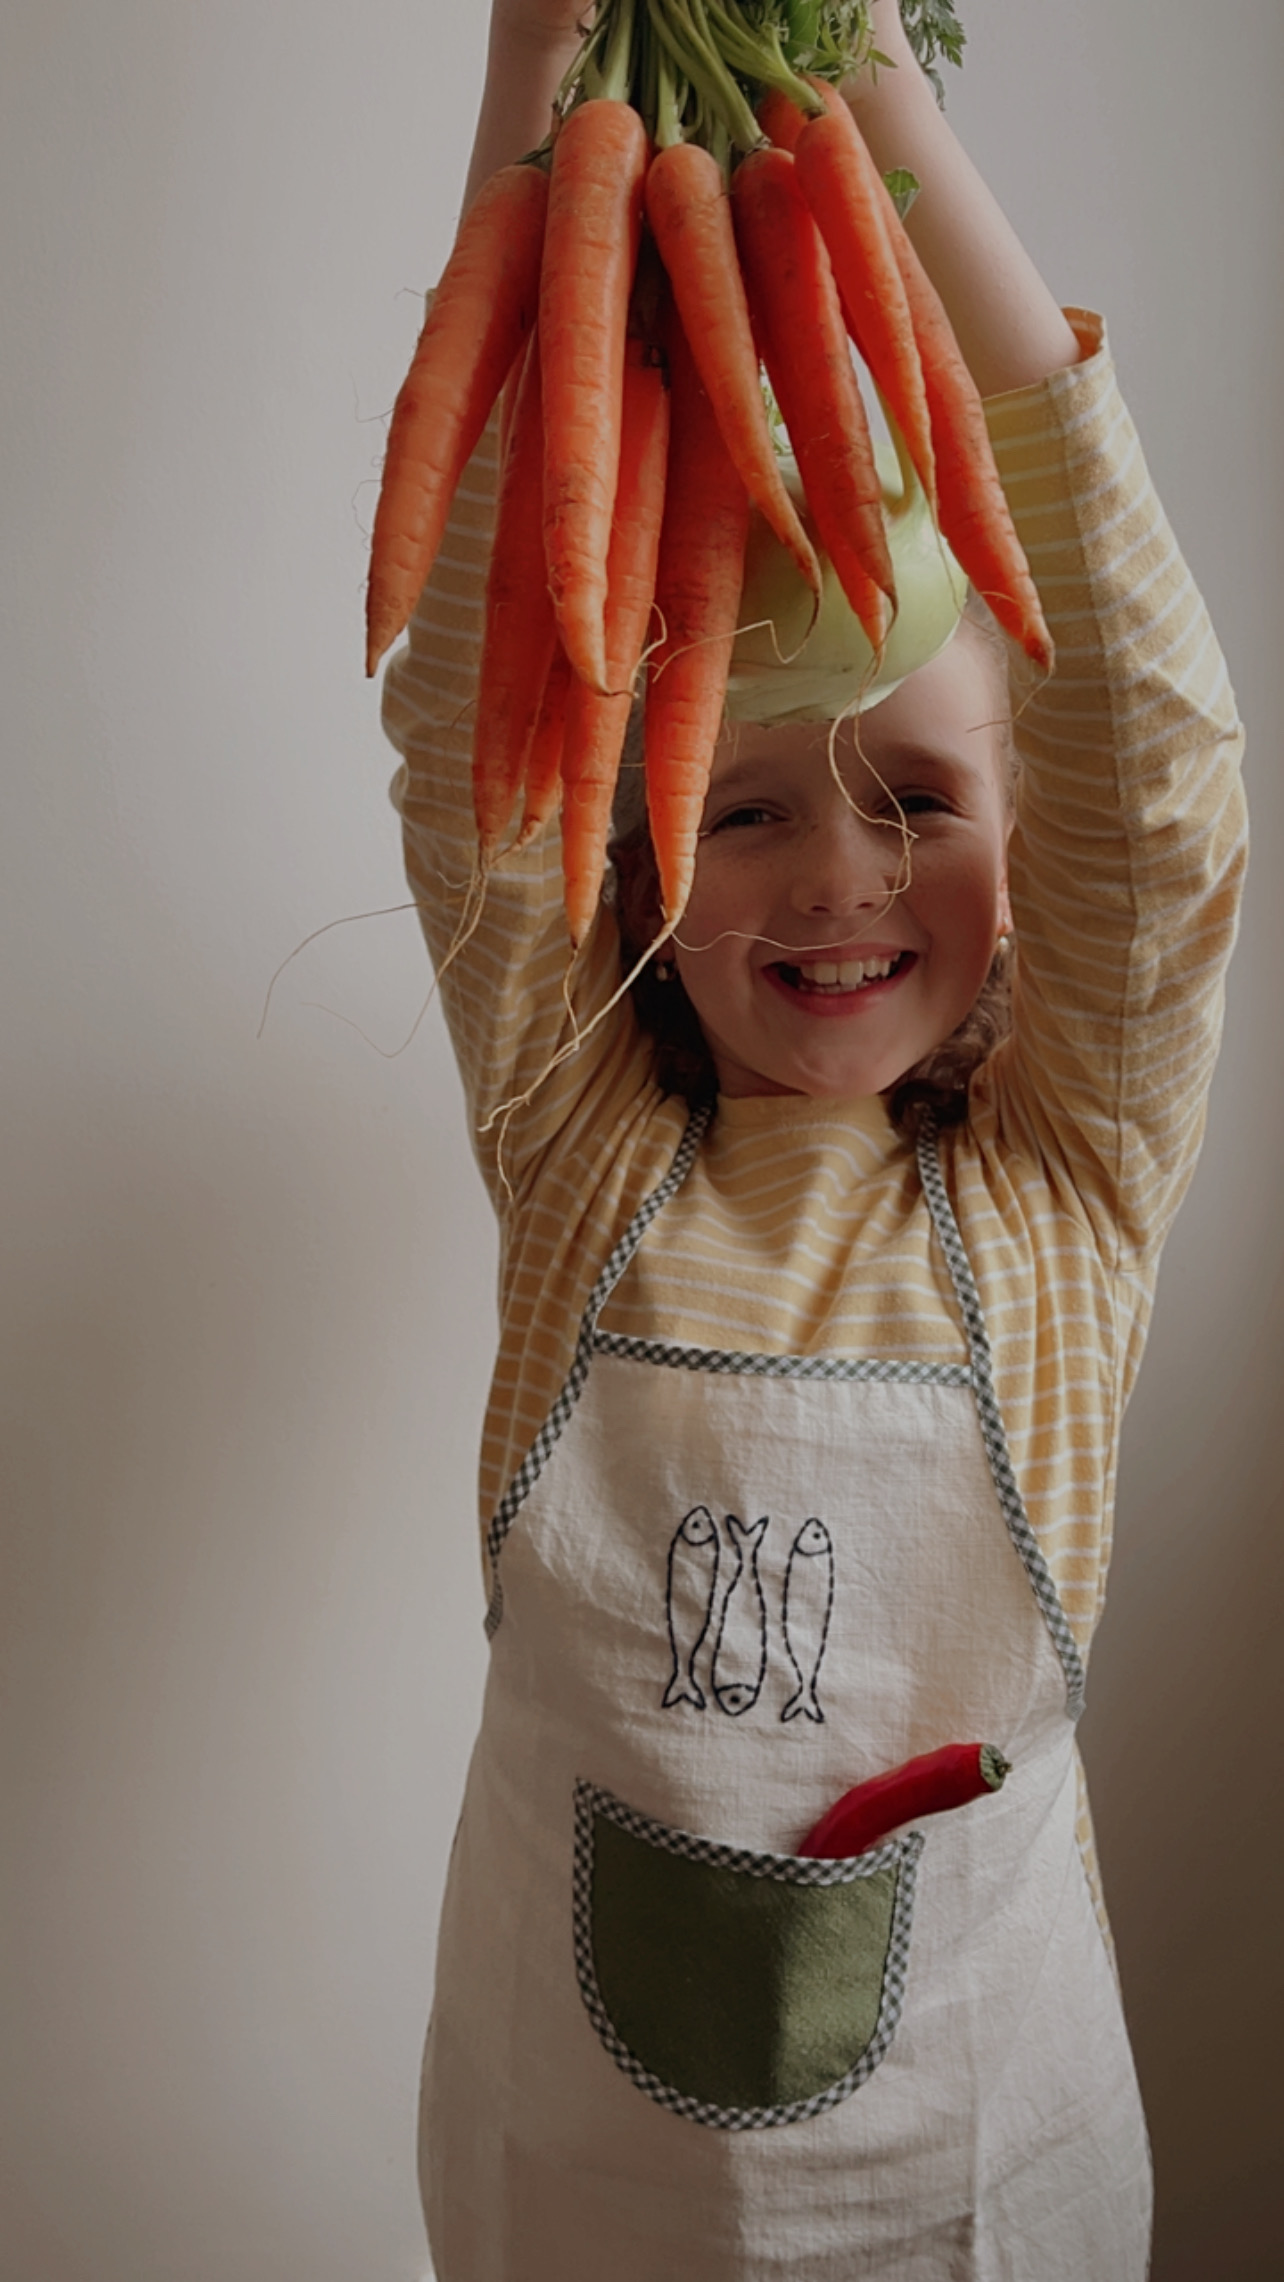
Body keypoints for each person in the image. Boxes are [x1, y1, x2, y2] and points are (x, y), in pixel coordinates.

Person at [379, 2, 1247, 2272]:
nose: (840, 873)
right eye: (743, 807)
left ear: (1026, 846)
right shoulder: (575, 1141)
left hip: (982, 2174)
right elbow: (475, 730)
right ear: (640, 866)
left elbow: (1162, 759)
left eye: (919, 796)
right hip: (574, 2181)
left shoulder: (1070, 1180)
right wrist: (532, 92)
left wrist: (873, 86)